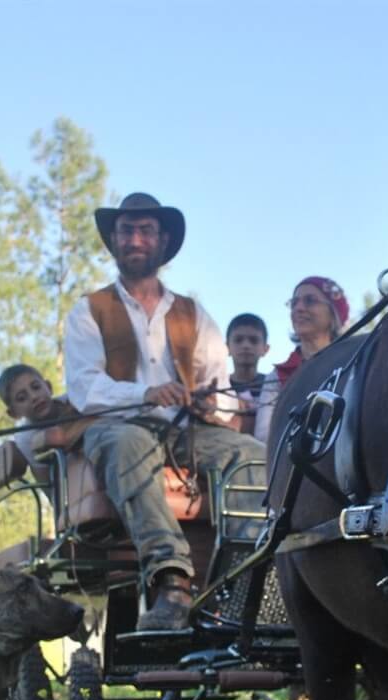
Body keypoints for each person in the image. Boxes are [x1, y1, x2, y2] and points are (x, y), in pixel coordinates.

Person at [64, 193, 267, 632]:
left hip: (185, 431)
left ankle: (242, 583)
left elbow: (221, 389)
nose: (135, 238)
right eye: (126, 230)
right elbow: (84, 388)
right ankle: (171, 582)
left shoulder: (194, 315)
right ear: (114, 241)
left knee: (251, 452)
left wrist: (211, 403)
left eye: (145, 230)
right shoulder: (89, 309)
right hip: (117, 425)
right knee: (129, 444)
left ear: (163, 241)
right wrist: (146, 393)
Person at [0, 363, 80, 466]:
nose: (33, 397)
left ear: (49, 387)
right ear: (13, 413)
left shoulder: (75, 400)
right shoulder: (25, 439)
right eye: (22, 398)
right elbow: (45, 478)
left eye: (36, 387)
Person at [273, 276, 350, 386]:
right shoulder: (278, 375)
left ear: (333, 314)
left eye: (310, 301)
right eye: (294, 303)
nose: (298, 308)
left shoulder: (352, 363)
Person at [225, 313, 280, 444]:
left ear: (265, 349)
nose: (246, 345)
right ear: (226, 347)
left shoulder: (274, 386)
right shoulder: (218, 386)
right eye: (238, 340)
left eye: (253, 340)